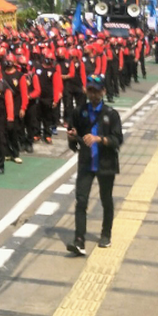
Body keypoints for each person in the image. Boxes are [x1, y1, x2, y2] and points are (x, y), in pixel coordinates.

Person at [65, 75, 123, 257]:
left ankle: (106, 234)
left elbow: (117, 139)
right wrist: (72, 137)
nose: (93, 94)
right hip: (86, 162)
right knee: (81, 200)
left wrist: (99, 139)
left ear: (103, 91)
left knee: (106, 199)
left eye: (97, 90)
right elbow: (74, 137)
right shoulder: (79, 111)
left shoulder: (111, 114)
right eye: (90, 90)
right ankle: (79, 240)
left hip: (106, 163)